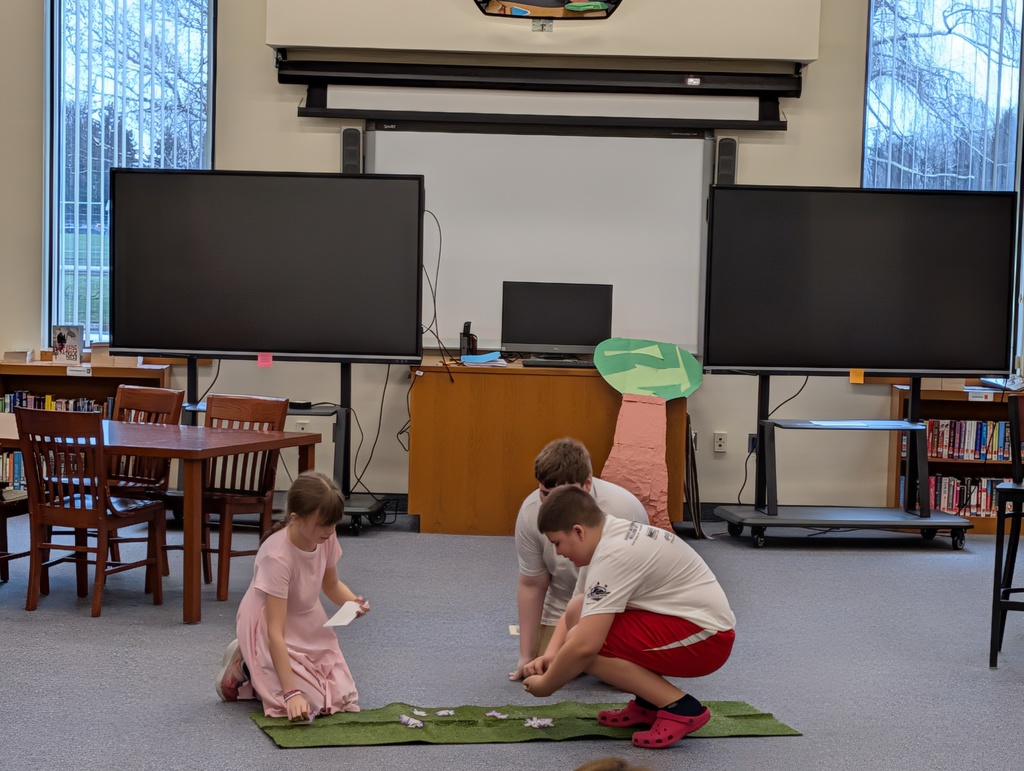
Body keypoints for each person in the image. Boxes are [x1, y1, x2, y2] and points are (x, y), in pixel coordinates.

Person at [522, 485, 735, 750]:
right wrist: (552, 656)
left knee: (585, 646)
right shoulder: (605, 537)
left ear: (578, 531)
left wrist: (546, 686)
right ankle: (649, 703)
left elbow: (585, 646)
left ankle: (680, 707)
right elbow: (574, 611)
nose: (557, 552)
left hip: (708, 640)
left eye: (557, 543)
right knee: (580, 610)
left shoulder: (613, 554)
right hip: (687, 622)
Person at [215, 470, 369, 722]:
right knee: (309, 703)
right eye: (324, 524)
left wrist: (352, 602)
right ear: (296, 518)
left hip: (307, 619)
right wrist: (291, 693)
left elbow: (331, 584)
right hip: (270, 624)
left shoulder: (324, 536)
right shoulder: (277, 557)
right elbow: (275, 632)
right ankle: (247, 664)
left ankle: (260, 668)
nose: (331, 531)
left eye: (333, 523)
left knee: (341, 696)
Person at [510, 437, 649, 681]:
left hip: (622, 605)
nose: (552, 505)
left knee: (617, 671)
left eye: (563, 495)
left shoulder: (624, 509)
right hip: (564, 603)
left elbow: (642, 583)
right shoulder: (530, 512)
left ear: (587, 485)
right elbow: (532, 584)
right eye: (545, 494)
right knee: (547, 665)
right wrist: (526, 656)